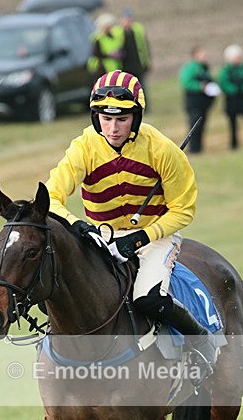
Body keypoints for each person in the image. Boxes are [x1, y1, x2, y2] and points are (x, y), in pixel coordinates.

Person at [45, 70, 218, 382]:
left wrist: (143, 237)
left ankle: (201, 340)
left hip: (156, 238)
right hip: (100, 237)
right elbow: (51, 197)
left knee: (147, 299)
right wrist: (78, 227)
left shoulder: (162, 150)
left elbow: (184, 209)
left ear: (136, 117)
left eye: (122, 119)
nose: (112, 128)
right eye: (105, 118)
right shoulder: (83, 147)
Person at [179, 46, 220, 153]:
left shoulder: (204, 68)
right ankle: (193, 149)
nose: (204, 56)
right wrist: (200, 86)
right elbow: (186, 82)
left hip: (203, 103)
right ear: (195, 55)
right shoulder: (190, 68)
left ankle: (199, 149)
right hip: (194, 102)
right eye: (201, 54)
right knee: (194, 126)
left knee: (202, 126)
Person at [117, 9, 151, 94]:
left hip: (138, 66)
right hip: (124, 67)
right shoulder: (117, 32)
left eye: (129, 19)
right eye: (126, 19)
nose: (128, 21)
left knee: (140, 90)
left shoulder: (138, 30)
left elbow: (144, 47)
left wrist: (146, 62)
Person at [87, 13, 123, 79]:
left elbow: (118, 47)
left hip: (112, 67)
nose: (109, 28)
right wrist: (110, 55)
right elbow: (96, 53)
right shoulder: (98, 38)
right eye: (107, 26)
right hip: (100, 67)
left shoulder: (113, 37)